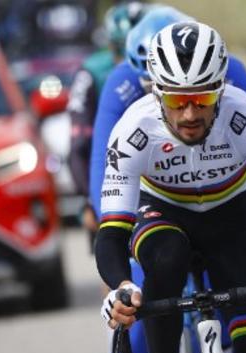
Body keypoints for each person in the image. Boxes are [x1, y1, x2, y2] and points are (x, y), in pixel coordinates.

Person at [97, 21, 246, 353]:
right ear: (158, 94)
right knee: (166, 259)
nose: (190, 114)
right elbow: (111, 233)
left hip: (232, 221)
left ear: (221, 91)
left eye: (203, 99)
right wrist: (121, 285)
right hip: (163, 215)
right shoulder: (133, 132)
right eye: (177, 100)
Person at [67, 1, 154, 243]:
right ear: (111, 46)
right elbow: (79, 144)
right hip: (106, 172)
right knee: (113, 257)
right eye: (122, 51)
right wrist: (89, 199)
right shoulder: (91, 72)